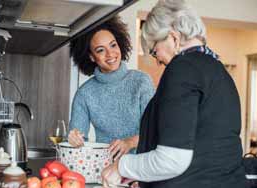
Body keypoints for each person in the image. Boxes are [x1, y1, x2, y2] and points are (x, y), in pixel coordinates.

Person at [101, 0, 246, 188]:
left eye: (154, 51)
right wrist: (141, 175)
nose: (158, 60)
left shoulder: (182, 68)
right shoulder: (218, 71)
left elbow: (172, 160)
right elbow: (203, 148)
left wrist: (121, 167)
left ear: (173, 38)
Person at [68, 16, 155, 160]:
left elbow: (155, 131)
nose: (110, 54)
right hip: (104, 169)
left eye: (113, 45)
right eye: (101, 50)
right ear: (91, 56)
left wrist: (130, 142)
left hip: (141, 168)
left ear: (120, 44)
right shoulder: (84, 93)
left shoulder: (141, 82)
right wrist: (74, 139)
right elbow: (79, 141)